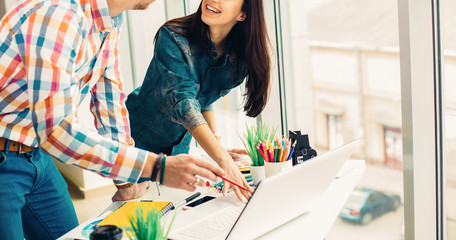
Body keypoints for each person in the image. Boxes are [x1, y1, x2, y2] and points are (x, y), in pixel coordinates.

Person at [0, 0, 225, 239]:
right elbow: (57, 132)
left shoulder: (107, 20)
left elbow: (110, 105)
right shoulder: (58, 17)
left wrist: (126, 183)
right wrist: (157, 167)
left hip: (35, 155)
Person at [126, 0, 271, 201]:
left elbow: (203, 96)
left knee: (175, 207)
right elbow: (185, 103)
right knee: (139, 209)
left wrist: (216, 144)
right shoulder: (172, 37)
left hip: (180, 149)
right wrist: (222, 158)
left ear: (243, 15)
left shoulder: (239, 58)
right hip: (138, 142)